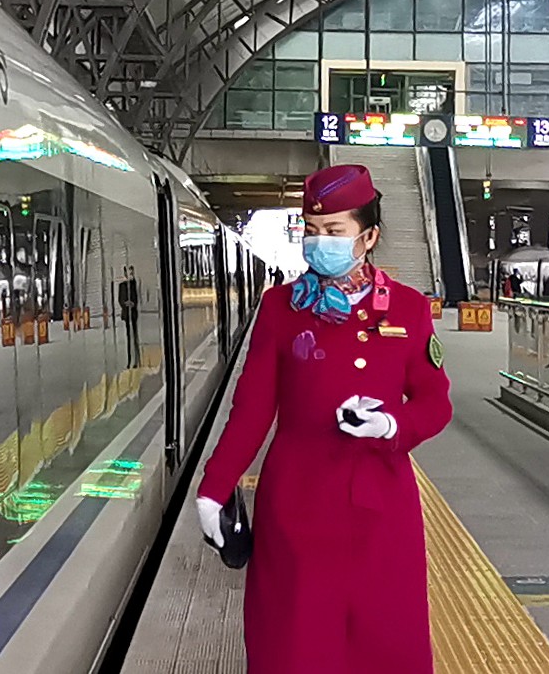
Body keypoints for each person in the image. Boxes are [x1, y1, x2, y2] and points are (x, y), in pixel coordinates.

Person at [194, 164, 454, 674]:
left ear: (368, 236)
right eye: (312, 231)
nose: (319, 243)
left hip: (381, 512)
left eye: (334, 231)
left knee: (383, 646)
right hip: (296, 510)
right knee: (294, 646)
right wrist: (214, 488)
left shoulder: (408, 309)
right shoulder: (280, 308)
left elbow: (435, 401)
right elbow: (252, 410)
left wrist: (391, 426)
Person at [116, 265, 144, 365]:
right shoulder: (122, 285)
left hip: (133, 313)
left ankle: (136, 358)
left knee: (135, 336)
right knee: (129, 336)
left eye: (131, 272)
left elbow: (137, 297)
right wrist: (125, 304)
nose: (130, 274)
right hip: (126, 313)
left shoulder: (133, 284)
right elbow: (120, 299)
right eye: (129, 272)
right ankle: (129, 359)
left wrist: (133, 303)